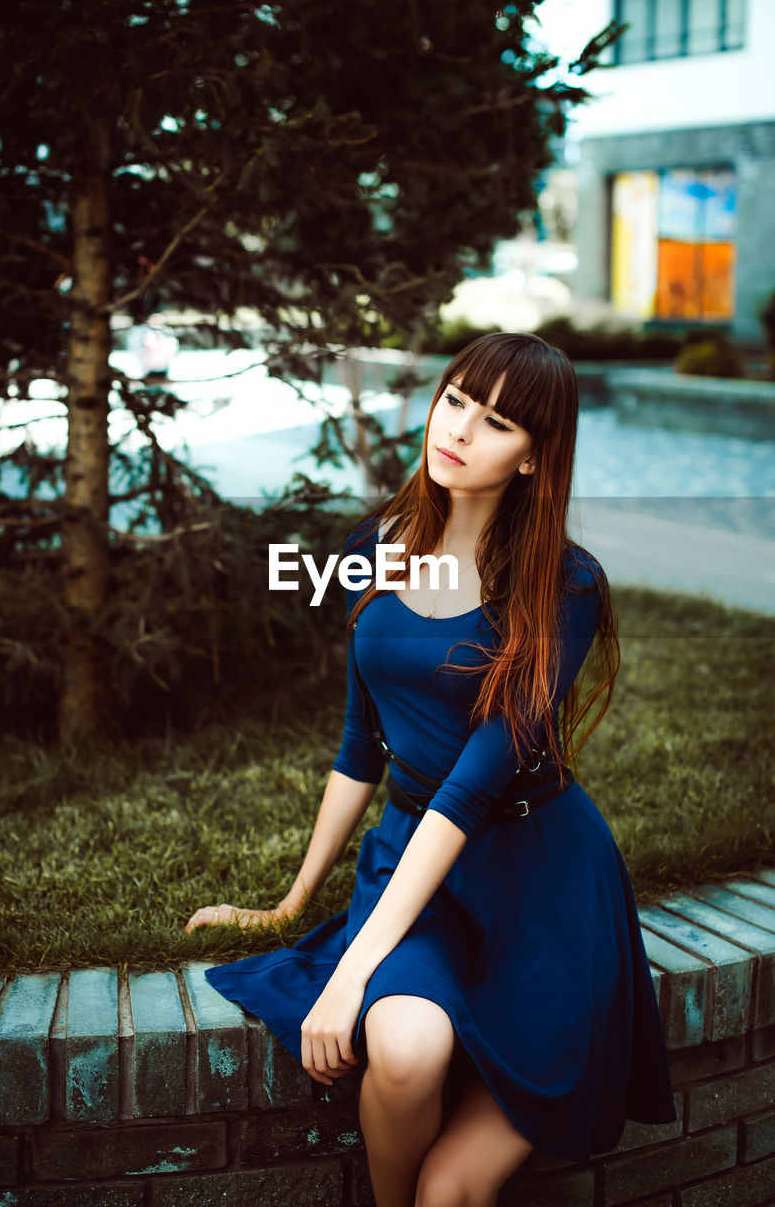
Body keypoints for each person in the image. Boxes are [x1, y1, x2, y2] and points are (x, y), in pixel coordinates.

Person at [184, 333, 677, 1207]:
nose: (457, 430)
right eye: (453, 400)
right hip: (415, 858)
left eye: (495, 423)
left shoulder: (566, 587)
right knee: (407, 1052)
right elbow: (359, 739)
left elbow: (473, 787)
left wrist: (347, 973)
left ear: (533, 458)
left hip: (543, 879)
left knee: (451, 1190)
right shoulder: (373, 543)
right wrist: (296, 899)